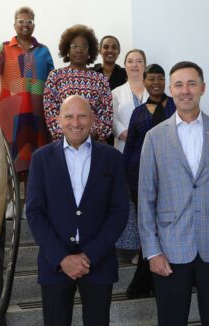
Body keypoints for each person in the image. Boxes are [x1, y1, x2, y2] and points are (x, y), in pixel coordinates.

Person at [138, 61, 209, 325]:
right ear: (170, 90)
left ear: (202, 88)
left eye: (191, 83)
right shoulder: (154, 137)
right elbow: (146, 197)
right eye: (178, 84)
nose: (185, 90)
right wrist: (152, 251)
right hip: (170, 249)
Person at [26, 95, 129, 326]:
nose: (76, 122)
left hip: (99, 262)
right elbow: (34, 213)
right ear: (58, 121)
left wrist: (89, 255)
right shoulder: (41, 159)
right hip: (55, 262)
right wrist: (62, 258)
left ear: (92, 119)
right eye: (69, 116)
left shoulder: (112, 158)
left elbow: (120, 211)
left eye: (82, 115)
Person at [121, 63, 177, 299]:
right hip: (140, 176)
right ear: (144, 82)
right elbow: (131, 146)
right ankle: (146, 281)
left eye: (160, 79)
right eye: (151, 79)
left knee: (167, 225)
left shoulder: (175, 105)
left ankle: (149, 281)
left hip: (172, 176)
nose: (156, 83)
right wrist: (123, 176)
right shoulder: (138, 113)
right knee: (148, 227)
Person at [0, 6, 55, 175]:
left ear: (34, 26)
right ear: (14, 25)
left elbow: (53, 81)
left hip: (38, 116)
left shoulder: (44, 50)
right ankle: (7, 200)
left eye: (29, 22)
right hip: (11, 115)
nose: (25, 25)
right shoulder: (4, 48)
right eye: (21, 21)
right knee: (7, 163)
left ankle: (33, 201)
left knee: (37, 164)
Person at [43, 25, 112, 143]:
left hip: (94, 143)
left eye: (83, 46)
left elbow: (107, 114)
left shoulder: (100, 79)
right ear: (67, 50)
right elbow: (50, 112)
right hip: (63, 143)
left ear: (90, 51)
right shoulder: (55, 77)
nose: (79, 50)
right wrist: (69, 136)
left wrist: (89, 136)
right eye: (74, 46)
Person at [111, 49, 148, 153]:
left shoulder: (153, 92)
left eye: (139, 61)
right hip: (124, 145)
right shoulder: (116, 93)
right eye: (130, 61)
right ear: (125, 65)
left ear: (145, 65)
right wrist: (125, 135)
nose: (134, 65)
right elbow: (112, 118)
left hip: (150, 145)